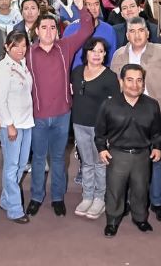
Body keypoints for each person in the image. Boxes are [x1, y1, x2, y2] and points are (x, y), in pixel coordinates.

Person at [110, 16, 161, 221]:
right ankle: (130, 200)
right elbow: (114, 83)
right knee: (128, 160)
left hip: (155, 113)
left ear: (147, 33)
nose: (137, 35)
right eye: (132, 31)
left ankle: (157, 202)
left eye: (141, 30)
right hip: (126, 114)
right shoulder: (120, 54)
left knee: (155, 159)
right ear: (127, 34)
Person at [25, 0, 92, 217]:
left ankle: (57, 197)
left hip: (62, 113)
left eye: (53, 27)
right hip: (38, 116)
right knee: (38, 159)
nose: (49, 30)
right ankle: (35, 197)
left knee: (57, 158)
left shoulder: (65, 47)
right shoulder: (27, 53)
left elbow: (86, 29)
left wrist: (80, 5)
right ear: (36, 30)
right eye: (44, 27)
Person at [95, 63, 161, 237]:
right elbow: (100, 132)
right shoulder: (109, 105)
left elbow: (157, 131)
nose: (135, 85)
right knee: (115, 190)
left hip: (142, 156)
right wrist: (101, 148)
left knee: (141, 190)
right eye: (130, 80)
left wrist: (157, 147)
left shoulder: (152, 105)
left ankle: (140, 218)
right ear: (121, 82)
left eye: (139, 80)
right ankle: (112, 220)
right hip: (117, 155)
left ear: (143, 82)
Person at [71, 37, 120, 219]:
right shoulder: (76, 72)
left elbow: (115, 105)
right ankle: (87, 196)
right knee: (86, 162)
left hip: (100, 128)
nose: (97, 54)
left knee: (100, 163)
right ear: (86, 53)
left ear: (105, 54)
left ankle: (99, 198)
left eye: (101, 51)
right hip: (79, 123)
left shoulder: (110, 76)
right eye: (93, 50)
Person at [0, 31, 34, 223]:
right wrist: (9, 125)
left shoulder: (23, 64)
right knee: (11, 167)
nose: (20, 49)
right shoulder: (2, 68)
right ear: (6, 47)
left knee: (21, 165)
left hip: (27, 122)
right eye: (15, 45)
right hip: (12, 125)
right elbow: (0, 101)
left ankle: (6, 200)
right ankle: (15, 210)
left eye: (24, 45)